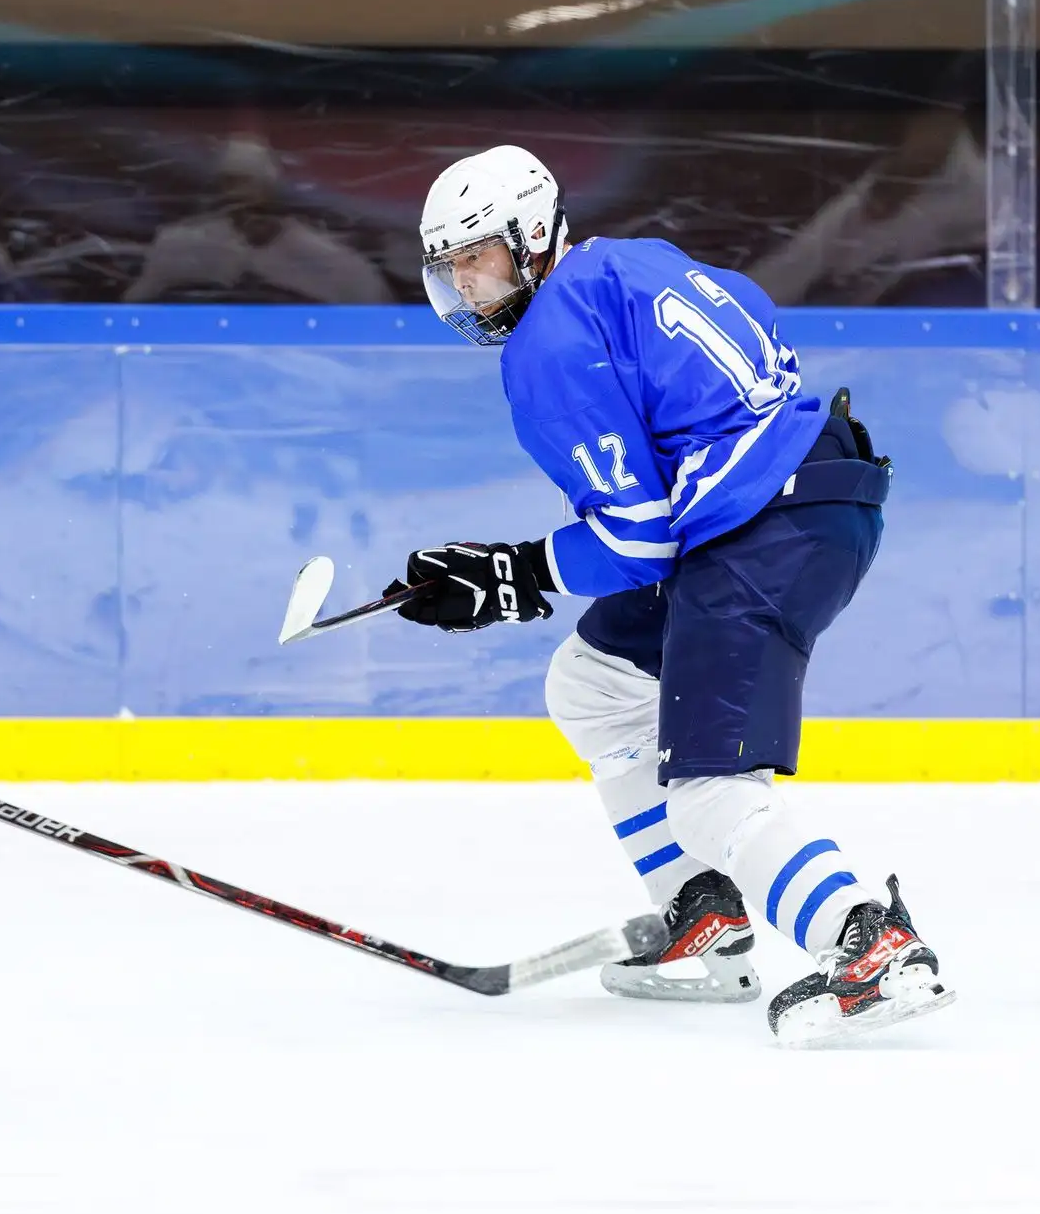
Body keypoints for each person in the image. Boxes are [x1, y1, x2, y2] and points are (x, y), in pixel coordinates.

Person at [389, 146, 954, 1045]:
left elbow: (637, 538)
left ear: (531, 236)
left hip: (759, 529)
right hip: (817, 492)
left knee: (708, 789)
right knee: (594, 681)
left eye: (479, 256)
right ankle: (703, 911)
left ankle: (870, 939)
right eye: (450, 265)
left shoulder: (547, 339)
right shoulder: (629, 263)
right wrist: (514, 570)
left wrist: (513, 573)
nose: (465, 283)